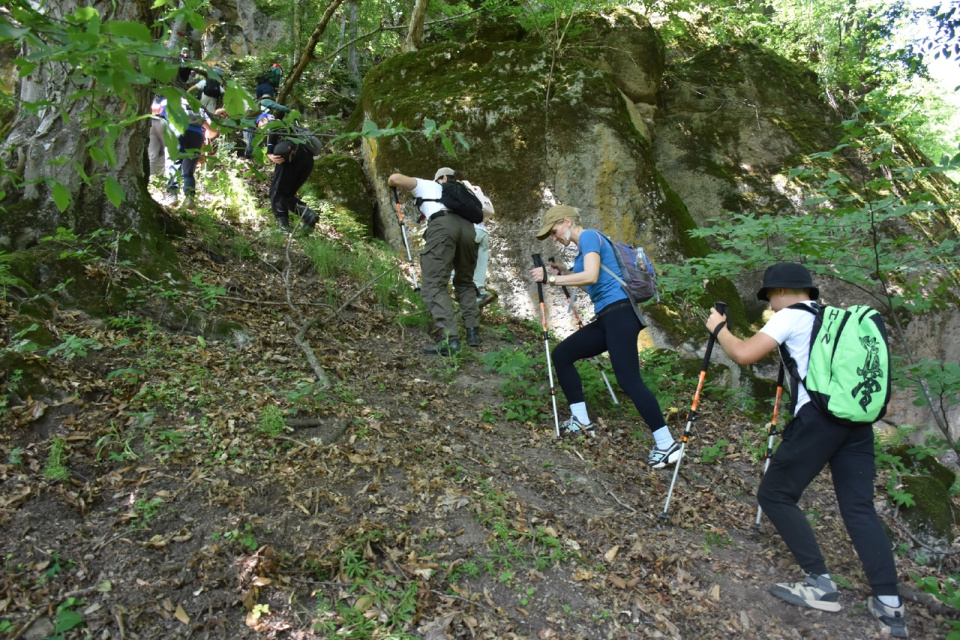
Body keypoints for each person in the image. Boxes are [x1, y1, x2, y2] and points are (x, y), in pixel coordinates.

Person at [704, 263, 907, 639]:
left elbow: (746, 353)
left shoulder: (792, 317)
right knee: (859, 508)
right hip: (857, 423)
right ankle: (890, 606)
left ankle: (820, 586)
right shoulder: (834, 317)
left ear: (781, 292)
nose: (770, 307)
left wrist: (718, 329)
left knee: (775, 493)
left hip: (818, 421)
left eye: (769, 299)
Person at [528, 205, 679, 466]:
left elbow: (592, 274)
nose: (555, 238)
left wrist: (549, 280)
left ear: (567, 222)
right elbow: (592, 285)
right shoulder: (583, 250)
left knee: (629, 380)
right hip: (608, 317)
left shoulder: (588, 236)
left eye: (554, 231)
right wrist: (564, 273)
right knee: (563, 354)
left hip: (620, 314)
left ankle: (667, 444)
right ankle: (581, 420)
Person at [387, 167, 480, 355]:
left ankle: (450, 340)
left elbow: (395, 178)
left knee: (433, 285)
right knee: (464, 282)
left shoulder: (429, 185)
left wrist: (391, 184)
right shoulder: (464, 193)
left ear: (442, 178)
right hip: (469, 231)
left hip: (443, 227)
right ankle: (473, 333)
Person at [266, 120, 318, 231]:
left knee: (277, 192)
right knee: (288, 195)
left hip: (291, 159)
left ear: (264, 119)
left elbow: (272, 133)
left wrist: (269, 153)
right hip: (308, 161)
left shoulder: (275, 124)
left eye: (258, 124)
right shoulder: (295, 129)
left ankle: (283, 227)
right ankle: (309, 215)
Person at [164, 98, 206, 208]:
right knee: (188, 171)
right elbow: (207, 125)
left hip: (179, 131)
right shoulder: (198, 105)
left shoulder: (172, 100)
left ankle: (172, 195)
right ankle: (189, 198)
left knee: (174, 162)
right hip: (197, 135)